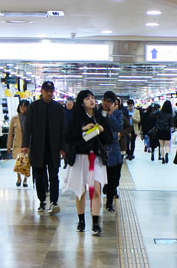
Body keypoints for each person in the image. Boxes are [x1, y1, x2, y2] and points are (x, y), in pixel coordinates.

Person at [64, 90, 113, 235]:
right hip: (80, 157)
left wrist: (102, 130)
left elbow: (109, 138)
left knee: (97, 190)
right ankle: (81, 220)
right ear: (81, 102)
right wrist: (83, 130)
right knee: (81, 191)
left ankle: (96, 222)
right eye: (87, 99)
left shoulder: (100, 117)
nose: (91, 101)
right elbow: (68, 137)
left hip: (96, 158)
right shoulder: (75, 118)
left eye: (92, 98)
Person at [22, 81, 65, 215]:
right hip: (37, 148)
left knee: (54, 175)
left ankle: (54, 201)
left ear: (53, 92)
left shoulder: (58, 108)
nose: (48, 93)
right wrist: (24, 145)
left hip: (53, 148)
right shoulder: (34, 107)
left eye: (51, 91)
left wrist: (63, 148)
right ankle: (41, 201)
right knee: (39, 177)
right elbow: (27, 128)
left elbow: (63, 130)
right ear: (42, 91)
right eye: (46, 90)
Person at [100, 91, 124, 213]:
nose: (106, 103)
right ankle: (96, 203)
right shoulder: (97, 112)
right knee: (99, 179)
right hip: (99, 149)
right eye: (105, 100)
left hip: (113, 150)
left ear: (114, 103)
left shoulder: (118, 113)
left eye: (109, 101)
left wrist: (111, 114)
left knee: (113, 179)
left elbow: (119, 127)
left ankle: (109, 203)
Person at [8, 100, 29, 188]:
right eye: (21, 106)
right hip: (17, 144)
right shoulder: (14, 118)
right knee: (18, 163)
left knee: (27, 162)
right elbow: (10, 133)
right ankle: (19, 178)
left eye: (24, 106)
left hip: (28, 144)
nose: (22, 108)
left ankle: (25, 179)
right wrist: (8, 146)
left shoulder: (30, 117)